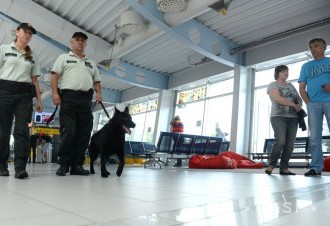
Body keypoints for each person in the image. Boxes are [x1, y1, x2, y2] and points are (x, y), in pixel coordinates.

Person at [51, 31, 102, 176]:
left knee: (84, 133)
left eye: (83, 41)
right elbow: (54, 76)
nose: (80, 42)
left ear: (85, 44)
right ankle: (64, 164)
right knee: (68, 131)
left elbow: (97, 81)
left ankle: (77, 165)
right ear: (71, 42)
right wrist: (55, 94)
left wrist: (99, 93)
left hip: (86, 100)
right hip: (68, 98)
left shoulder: (91, 62)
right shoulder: (64, 58)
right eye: (77, 40)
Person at [0, 23, 43, 179]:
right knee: (2, 131)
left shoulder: (32, 56)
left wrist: (39, 100)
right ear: (17, 32)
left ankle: (20, 168)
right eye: (25, 31)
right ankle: (1, 165)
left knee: (22, 131)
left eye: (30, 33)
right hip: (3, 93)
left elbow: (35, 80)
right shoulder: (4, 49)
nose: (28, 35)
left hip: (24, 96)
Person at [299, 38, 330, 177]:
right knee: (314, 137)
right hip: (313, 104)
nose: (313, 49)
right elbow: (301, 86)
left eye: (316, 46)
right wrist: (308, 102)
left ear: (324, 47)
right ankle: (316, 167)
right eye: (311, 47)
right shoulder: (306, 66)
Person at [265, 65, 302, 175]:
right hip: (278, 116)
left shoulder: (291, 85)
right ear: (277, 73)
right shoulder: (273, 84)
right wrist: (293, 104)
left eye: (287, 71)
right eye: (283, 71)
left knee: (290, 144)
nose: (286, 73)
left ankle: (284, 168)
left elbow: (298, 98)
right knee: (281, 141)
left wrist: (299, 105)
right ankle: (271, 165)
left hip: (293, 117)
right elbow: (277, 99)